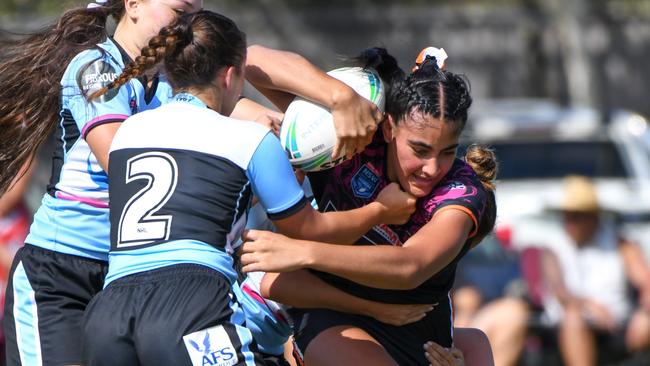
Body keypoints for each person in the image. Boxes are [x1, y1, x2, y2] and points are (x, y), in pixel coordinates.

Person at [81, 10, 417, 365]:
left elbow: (199, 197)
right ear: (230, 76)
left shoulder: (130, 131)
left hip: (110, 309)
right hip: (189, 303)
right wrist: (380, 210)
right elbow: (309, 229)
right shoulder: (250, 139)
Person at [240, 46, 498, 365]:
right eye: (419, 149)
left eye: (447, 151)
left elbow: (410, 266)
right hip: (332, 319)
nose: (432, 168)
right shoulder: (353, 140)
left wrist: (304, 251)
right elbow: (249, 60)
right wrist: (339, 97)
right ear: (389, 128)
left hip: (416, 331)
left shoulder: (460, 191)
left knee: (475, 349)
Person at [0, 1, 206, 364]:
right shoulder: (96, 66)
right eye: (179, 13)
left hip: (127, 276)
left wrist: (335, 98)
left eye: (194, 16)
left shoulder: (172, 86)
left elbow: (248, 62)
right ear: (134, 5)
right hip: (60, 276)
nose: (187, 26)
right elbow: (123, 165)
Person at [540, 175, 650, 366]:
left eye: (575, 215)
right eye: (566, 215)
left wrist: (644, 313)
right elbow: (560, 292)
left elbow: (646, 282)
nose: (569, 222)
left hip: (617, 327)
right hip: (566, 327)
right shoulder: (552, 247)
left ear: (593, 216)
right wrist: (589, 306)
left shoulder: (621, 244)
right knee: (573, 318)